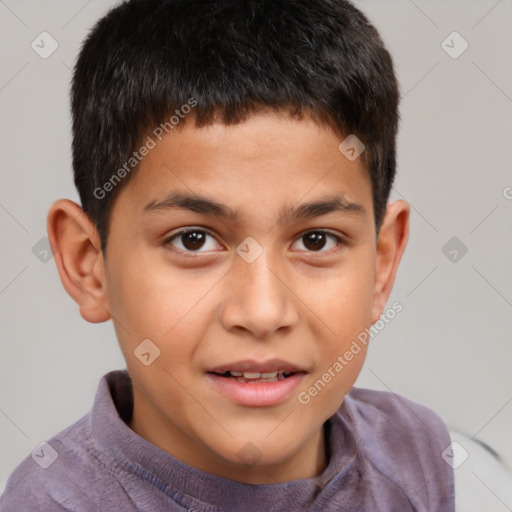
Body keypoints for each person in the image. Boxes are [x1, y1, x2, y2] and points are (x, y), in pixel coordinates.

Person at [0, 0, 455, 510]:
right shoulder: (50, 502)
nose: (261, 313)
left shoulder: (416, 451)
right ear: (89, 264)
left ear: (383, 263)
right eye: (192, 240)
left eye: (316, 240)